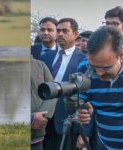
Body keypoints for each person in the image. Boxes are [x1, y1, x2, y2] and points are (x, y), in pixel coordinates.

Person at [78, 26, 123, 149]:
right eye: (93, 67)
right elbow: (81, 100)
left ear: (121, 55)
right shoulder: (84, 67)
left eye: (106, 68)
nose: (99, 73)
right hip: (102, 144)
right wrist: (81, 114)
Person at [41, 18, 85, 150]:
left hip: (69, 121)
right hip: (43, 118)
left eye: (65, 31)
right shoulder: (45, 56)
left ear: (76, 34)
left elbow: (87, 96)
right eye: (58, 31)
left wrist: (84, 132)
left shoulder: (84, 60)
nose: (60, 34)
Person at [31, 56, 57, 150]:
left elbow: (53, 93)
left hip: (37, 137)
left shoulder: (40, 65)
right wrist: (30, 119)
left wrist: (40, 117)